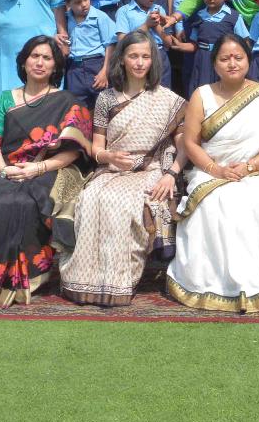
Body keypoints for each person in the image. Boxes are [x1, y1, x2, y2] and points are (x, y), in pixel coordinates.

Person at [169, 34, 259, 313]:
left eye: (238, 57)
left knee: (245, 205)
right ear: (215, 64)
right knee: (211, 205)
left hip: (256, 173)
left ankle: (249, 286)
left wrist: (249, 167)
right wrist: (216, 169)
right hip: (210, 172)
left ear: (248, 61)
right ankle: (208, 285)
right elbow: (190, 143)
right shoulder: (201, 95)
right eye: (225, 58)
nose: (232, 63)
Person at [60, 31, 187, 307]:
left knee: (122, 203)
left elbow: (184, 146)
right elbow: (96, 147)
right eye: (133, 56)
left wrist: (171, 174)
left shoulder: (168, 100)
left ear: (153, 61)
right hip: (112, 169)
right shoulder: (107, 99)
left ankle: (119, 281)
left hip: (152, 169)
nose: (140, 63)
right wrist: (109, 157)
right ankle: (86, 280)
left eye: (145, 56)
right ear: (122, 60)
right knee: (91, 198)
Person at [0, 36, 93, 309]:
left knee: (26, 203)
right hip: (6, 169)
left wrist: (38, 167)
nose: (40, 62)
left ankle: (30, 278)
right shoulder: (5, 99)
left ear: (56, 66)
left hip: (48, 169)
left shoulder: (67, 101)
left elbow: (74, 151)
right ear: (24, 61)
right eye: (35, 56)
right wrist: (5, 170)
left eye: (47, 58)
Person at [170, 0, 242, 92]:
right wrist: (181, 46)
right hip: (202, 62)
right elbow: (195, 45)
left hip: (224, 62)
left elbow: (244, 43)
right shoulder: (199, 16)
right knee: (203, 93)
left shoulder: (234, 17)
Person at [60, 0, 115, 111]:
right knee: (77, 110)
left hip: (96, 66)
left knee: (104, 107)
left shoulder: (100, 17)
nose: (84, 4)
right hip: (74, 69)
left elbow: (110, 44)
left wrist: (105, 71)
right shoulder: (66, 20)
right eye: (78, 2)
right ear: (68, 3)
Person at [115, 0, 174, 89]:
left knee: (162, 94)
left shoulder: (159, 9)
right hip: (137, 59)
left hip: (160, 56)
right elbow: (122, 42)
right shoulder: (124, 12)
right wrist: (146, 25)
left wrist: (157, 25)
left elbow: (169, 43)